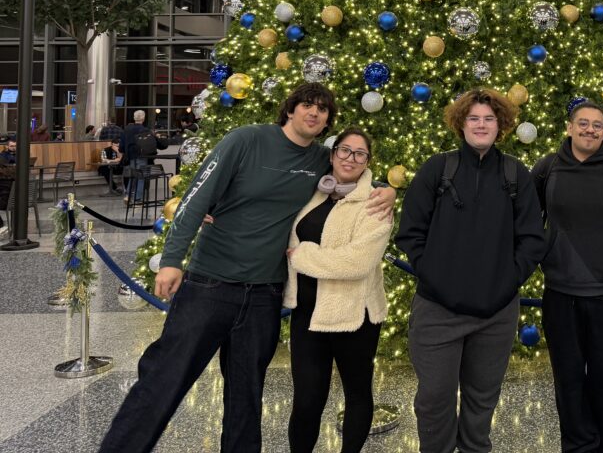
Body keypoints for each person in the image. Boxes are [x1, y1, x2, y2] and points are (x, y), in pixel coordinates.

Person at [98, 83, 396, 453]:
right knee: (163, 379)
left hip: (263, 296)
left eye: (322, 110)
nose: (314, 113)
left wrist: (387, 189)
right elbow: (196, 197)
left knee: (246, 397)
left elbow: (354, 174)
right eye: (307, 104)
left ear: (326, 124)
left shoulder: (322, 159)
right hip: (210, 285)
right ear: (290, 109)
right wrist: (172, 259)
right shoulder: (246, 140)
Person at [396, 87, 545, 453]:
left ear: (501, 125)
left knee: (482, 399)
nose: (481, 125)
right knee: (434, 398)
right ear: (461, 123)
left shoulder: (515, 173)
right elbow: (410, 233)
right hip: (437, 309)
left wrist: (508, 280)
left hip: (496, 312)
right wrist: (434, 276)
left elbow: (532, 238)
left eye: (489, 119)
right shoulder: (438, 168)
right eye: (474, 118)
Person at [530, 100, 603, 453]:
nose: (590, 130)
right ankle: (577, 445)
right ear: (569, 127)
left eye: (597, 125)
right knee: (568, 378)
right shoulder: (547, 168)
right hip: (561, 291)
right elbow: (530, 222)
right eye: (583, 123)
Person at [285, 127, 393, 453]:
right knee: (305, 401)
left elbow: (357, 262)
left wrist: (303, 256)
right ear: (333, 154)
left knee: (357, 394)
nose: (351, 158)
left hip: (354, 316)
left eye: (360, 154)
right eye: (345, 150)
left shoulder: (374, 202)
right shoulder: (313, 191)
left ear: (367, 162)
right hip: (307, 315)